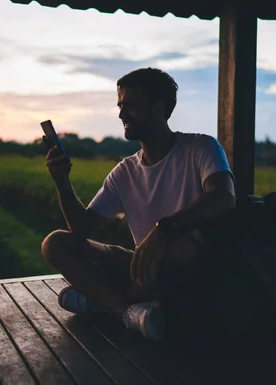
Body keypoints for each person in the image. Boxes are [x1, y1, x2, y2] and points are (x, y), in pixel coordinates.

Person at [41, 67, 236, 341]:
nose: (121, 114)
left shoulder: (201, 148)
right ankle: (127, 312)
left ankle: (103, 301)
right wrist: (61, 181)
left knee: (181, 247)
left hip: (194, 269)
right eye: (120, 106)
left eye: (130, 105)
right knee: (55, 243)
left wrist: (165, 229)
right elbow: (82, 228)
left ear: (159, 107)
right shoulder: (125, 172)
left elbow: (223, 197)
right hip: (144, 268)